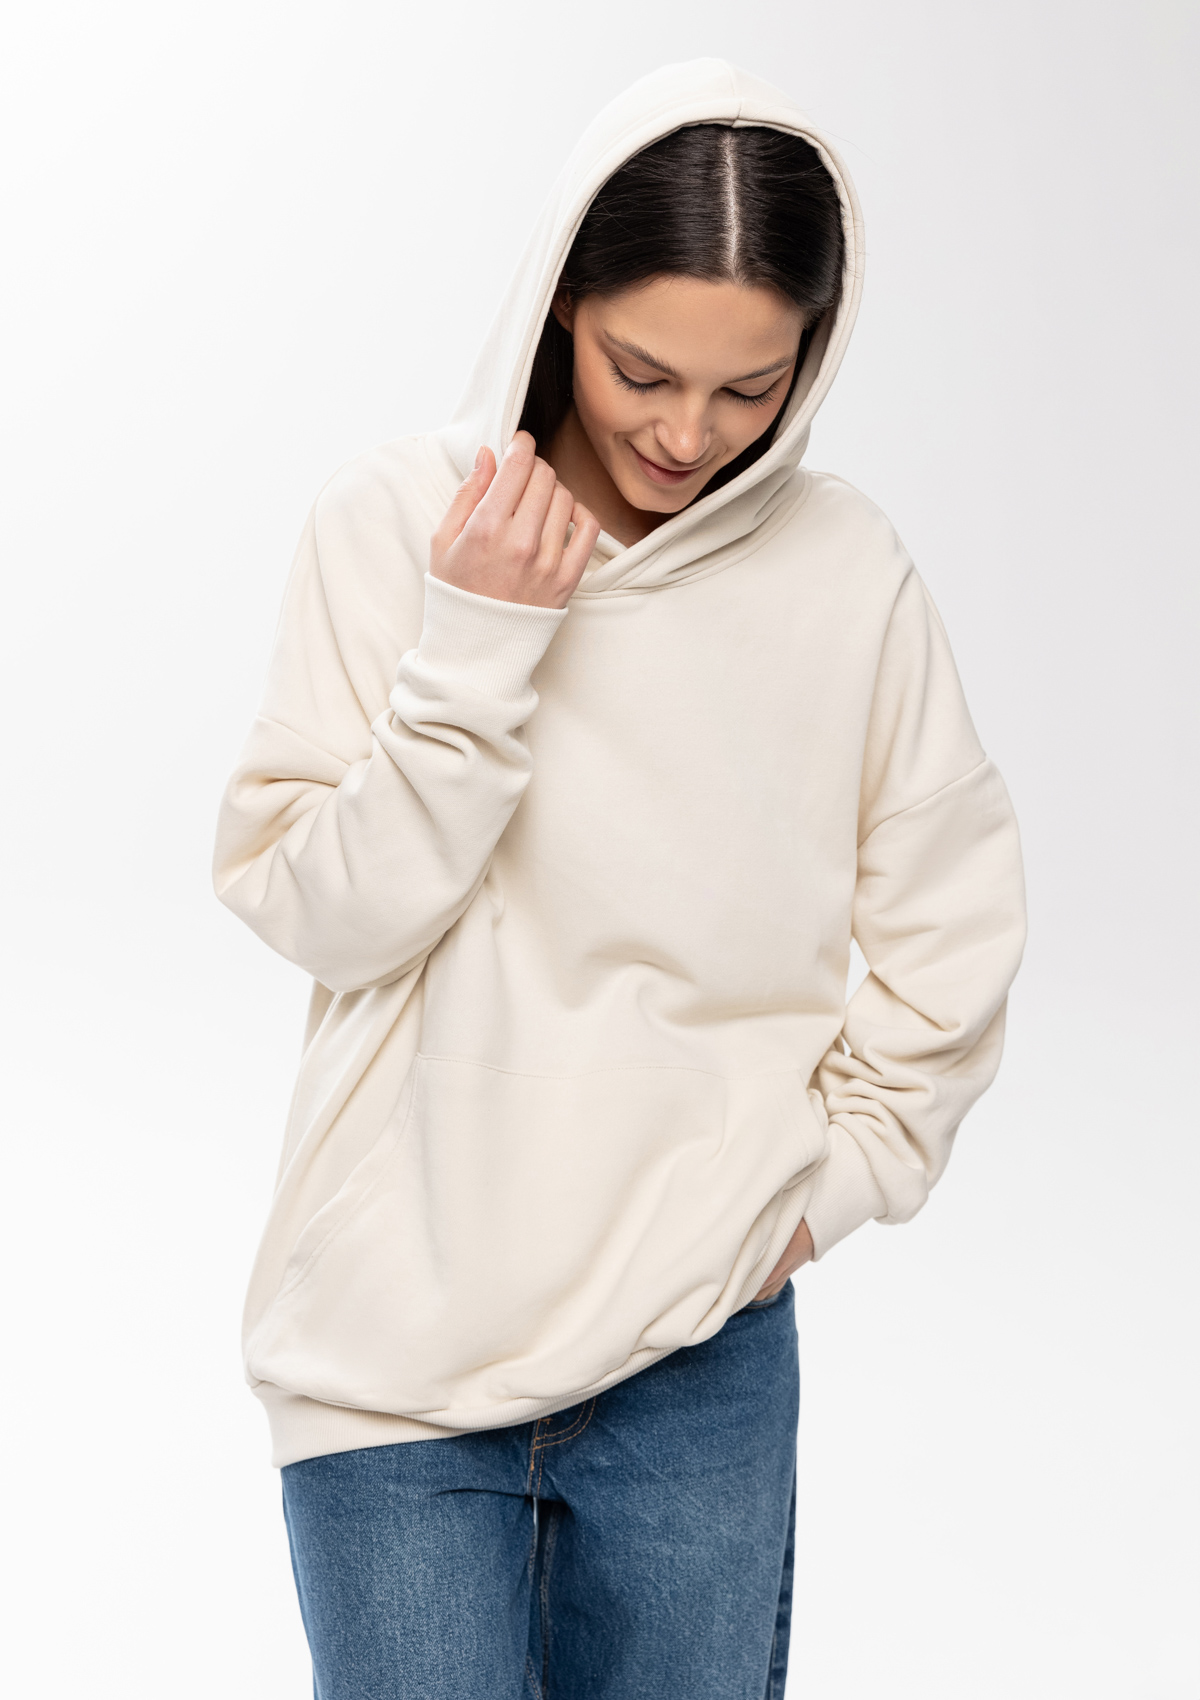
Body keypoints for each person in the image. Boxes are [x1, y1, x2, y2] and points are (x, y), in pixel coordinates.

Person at [213, 58, 1026, 1700]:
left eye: (749, 389)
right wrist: (479, 643)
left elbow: (955, 920)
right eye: (642, 370)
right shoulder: (395, 525)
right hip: (391, 1353)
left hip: (697, 1351)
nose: (685, 434)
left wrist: (832, 1188)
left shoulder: (843, 572)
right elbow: (322, 911)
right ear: (561, 303)